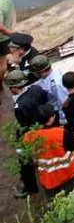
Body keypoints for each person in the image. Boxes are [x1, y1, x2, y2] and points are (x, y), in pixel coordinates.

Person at [6, 66, 48, 198]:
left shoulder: (20, 105)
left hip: (31, 133)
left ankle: (30, 187)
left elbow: (23, 125)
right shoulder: (36, 89)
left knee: (24, 160)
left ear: (14, 88)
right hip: (45, 125)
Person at [24, 104, 74, 196]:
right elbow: (73, 146)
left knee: (54, 201)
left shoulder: (29, 136)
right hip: (67, 171)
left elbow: (29, 157)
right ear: (52, 117)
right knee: (71, 196)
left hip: (48, 176)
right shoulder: (61, 132)